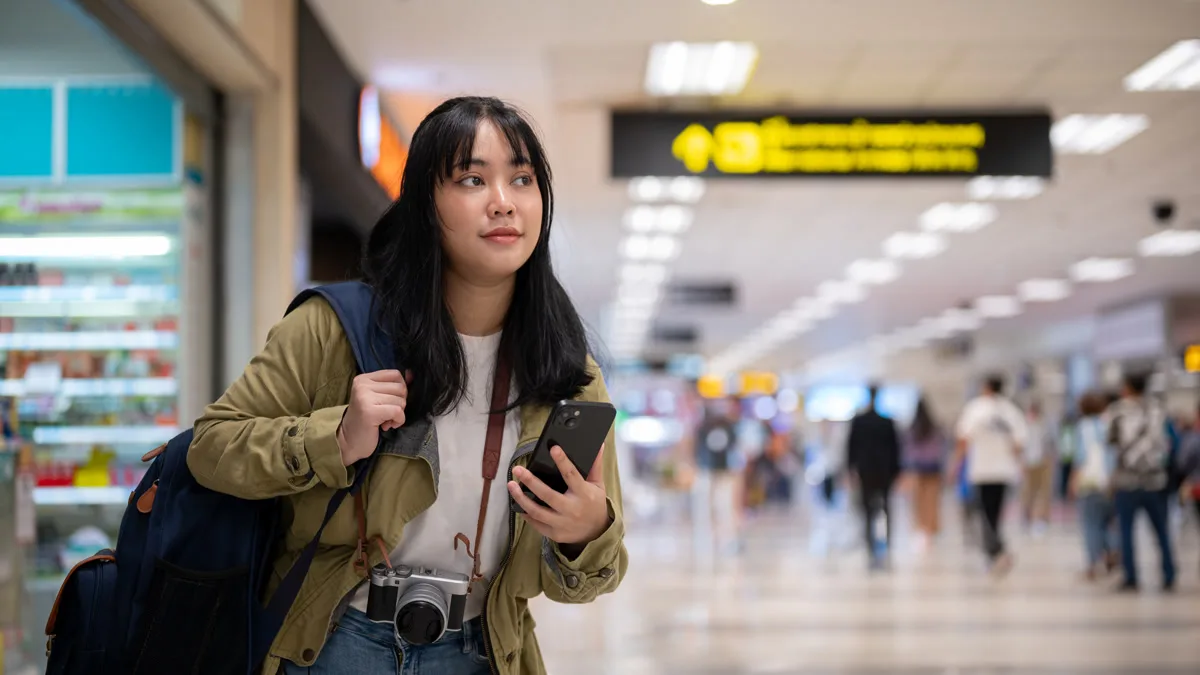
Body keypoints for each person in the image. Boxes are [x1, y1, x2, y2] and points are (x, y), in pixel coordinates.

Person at [187, 97, 627, 675]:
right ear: (425, 204)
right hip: (333, 645)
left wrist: (586, 532)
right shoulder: (337, 328)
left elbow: (589, 579)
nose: (503, 202)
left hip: (482, 649)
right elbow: (211, 448)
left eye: (522, 178)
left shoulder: (566, 371)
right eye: (472, 178)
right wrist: (336, 440)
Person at [952, 374, 1027, 577]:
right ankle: (996, 552)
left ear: (986, 387)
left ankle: (997, 551)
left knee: (984, 514)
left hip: (982, 471)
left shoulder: (976, 409)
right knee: (995, 514)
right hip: (1004, 471)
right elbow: (1019, 444)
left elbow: (963, 440)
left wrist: (955, 465)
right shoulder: (1011, 411)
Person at [1106, 373, 1175, 592]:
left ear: (1126, 387)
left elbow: (1110, 442)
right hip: (1155, 480)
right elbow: (1171, 442)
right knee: (1161, 530)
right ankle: (1169, 573)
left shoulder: (1117, 411)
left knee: (1126, 531)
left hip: (1127, 481)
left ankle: (1131, 577)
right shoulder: (1158, 410)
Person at [846, 384, 903, 569]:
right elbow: (895, 449)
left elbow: (851, 448)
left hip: (866, 470)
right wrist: (897, 471)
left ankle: (871, 546)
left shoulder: (859, 421)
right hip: (884, 471)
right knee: (886, 508)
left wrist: (851, 469)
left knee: (867, 510)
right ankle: (886, 544)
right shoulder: (886, 422)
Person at [1069, 392, 1119, 581]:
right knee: (1108, 522)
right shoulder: (1108, 424)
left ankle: (1092, 564)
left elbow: (1080, 457)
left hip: (1089, 481)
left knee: (1091, 524)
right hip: (1109, 480)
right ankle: (1112, 549)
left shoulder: (1083, 428)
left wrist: (1073, 481)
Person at [694, 396, 744, 553]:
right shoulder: (704, 426)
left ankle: (726, 538)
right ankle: (710, 537)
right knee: (708, 505)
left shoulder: (730, 427)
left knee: (725, 506)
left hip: (725, 472)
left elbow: (735, 449)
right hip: (707, 471)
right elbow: (696, 447)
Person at [904, 397, 948, 551]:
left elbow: (908, 451)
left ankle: (922, 529)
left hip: (917, 468)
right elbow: (941, 449)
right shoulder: (935, 428)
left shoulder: (913, 428)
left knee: (918, 502)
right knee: (932, 501)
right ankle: (929, 530)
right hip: (933, 468)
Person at [1020, 401, 1057, 536]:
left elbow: (1052, 443)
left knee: (1044, 492)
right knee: (1028, 492)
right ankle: (1027, 518)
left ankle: (1042, 519)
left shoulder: (1045, 425)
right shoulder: (1024, 425)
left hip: (1043, 462)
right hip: (1028, 463)